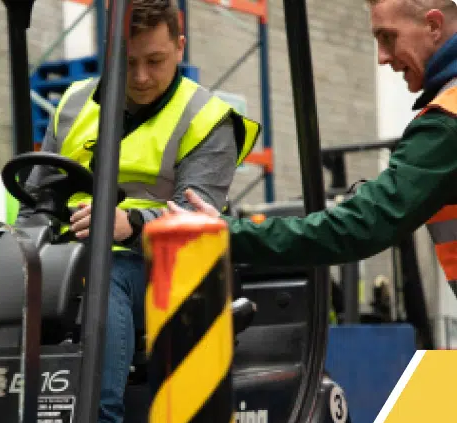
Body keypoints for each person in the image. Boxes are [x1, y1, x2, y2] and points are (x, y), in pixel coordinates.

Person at [17, 0, 261, 423]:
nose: (143, 77)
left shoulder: (206, 119)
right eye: (130, 63)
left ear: (180, 47)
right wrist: (20, 251)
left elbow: (195, 217)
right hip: (72, 251)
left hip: (159, 264)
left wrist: (130, 221)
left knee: (101, 279)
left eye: (156, 61)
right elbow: (36, 198)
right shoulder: (72, 105)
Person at [167, 0, 457, 300]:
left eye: (388, 37)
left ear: (433, 26)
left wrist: (228, 234)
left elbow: (359, 227)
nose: (382, 57)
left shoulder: (447, 122)